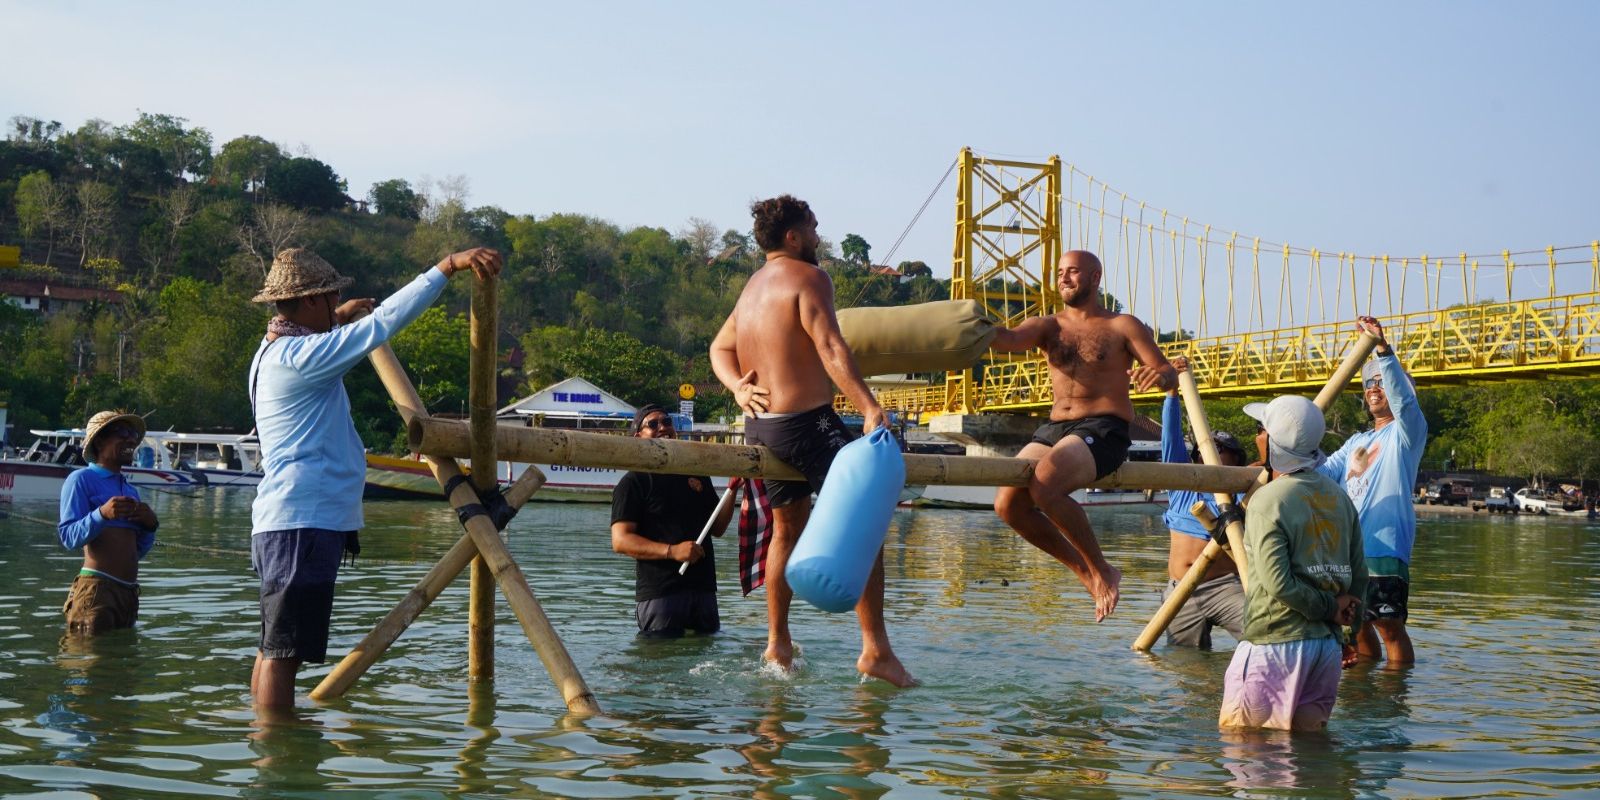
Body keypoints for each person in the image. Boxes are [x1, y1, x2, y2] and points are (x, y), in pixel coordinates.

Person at [248, 245, 501, 707]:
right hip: (303, 519)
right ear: (309, 302)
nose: (334, 305)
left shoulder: (270, 353)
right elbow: (382, 326)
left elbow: (337, 330)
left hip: (287, 518)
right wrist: (444, 267)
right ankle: (277, 748)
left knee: (276, 647)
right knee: (283, 652)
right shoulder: (302, 356)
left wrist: (339, 316)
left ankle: (269, 739)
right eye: (330, 299)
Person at [708, 194, 914, 687]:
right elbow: (829, 346)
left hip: (762, 428)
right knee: (867, 523)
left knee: (786, 529)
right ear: (794, 237)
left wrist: (738, 387)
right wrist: (869, 408)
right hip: (806, 423)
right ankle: (876, 650)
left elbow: (719, 347)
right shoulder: (809, 278)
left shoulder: (752, 288)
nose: (819, 236)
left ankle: (777, 644)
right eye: (814, 228)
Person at [986, 250, 1176, 621]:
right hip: (1055, 428)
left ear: (1094, 277)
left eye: (1072, 272)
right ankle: (1085, 572)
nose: (1064, 279)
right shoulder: (1048, 326)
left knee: (1046, 486)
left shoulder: (1123, 325)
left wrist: (1162, 377)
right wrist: (972, 327)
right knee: (1006, 505)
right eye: (1059, 272)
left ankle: (1102, 568)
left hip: (1104, 428)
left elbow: (1164, 368)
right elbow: (1008, 339)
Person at [1220, 395, 1366, 732]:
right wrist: (1347, 634)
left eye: (1261, 430)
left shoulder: (1268, 499)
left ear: (1272, 443)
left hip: (1275, 643)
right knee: (1311, 755)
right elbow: (1359, 576)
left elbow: (1278, 583)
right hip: (1325, 651)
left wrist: (1329, 608)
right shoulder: (1340, 498)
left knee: (1245, 748)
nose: (1257, 437)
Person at [1314, 316, 1425, 666]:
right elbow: (1324, 474)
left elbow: (1404, 403)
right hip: (1349, 551)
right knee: (1357, 627)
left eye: (1382, 383)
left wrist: (1381, 349)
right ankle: (1364, 700)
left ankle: (1393, 699)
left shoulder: (1407, 435)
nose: (1374, 388)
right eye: (1369, 384)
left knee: (1389, 627)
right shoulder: (1356, 441)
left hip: (1386, 547)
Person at [610, 404, 736, 637]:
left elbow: (717, 528)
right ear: (638, 437)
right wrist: (672, 551)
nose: (663, 428)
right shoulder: (633, 482)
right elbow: (620, 541)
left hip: (703, 590)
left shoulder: (696, 473)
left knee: (706, 663)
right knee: (661, 664)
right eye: (653, 424)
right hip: (661, 593)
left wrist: (734, 489)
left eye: (667, 422)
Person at [1159, 357, 1247, 648]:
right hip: (1181, 591)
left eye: (1221, 450)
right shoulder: (1184, 488)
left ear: (1236, 461)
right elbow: (1170, 440)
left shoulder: (1243, 495)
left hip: (1225, 588)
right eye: (1206, 449)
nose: (1210, 454)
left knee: (1266, 638)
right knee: (1186, 668)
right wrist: (1172, 393)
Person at [57, 410, 160, 634]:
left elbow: (137, 551)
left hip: (129, 594)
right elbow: (68, 537)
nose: (131, 439)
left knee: (122, 664)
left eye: (132, 434)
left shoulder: (130, 490)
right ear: (100, 440)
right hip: (96, 591)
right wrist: (102, 514)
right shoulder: (81, 479)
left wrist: (150, 526)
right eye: (122, 433)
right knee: (92, 664)